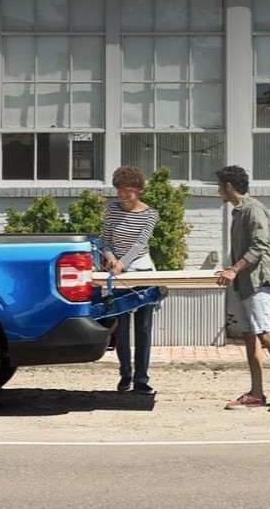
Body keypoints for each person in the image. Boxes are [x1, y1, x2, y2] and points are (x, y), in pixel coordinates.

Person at [215, 165, 270, 412]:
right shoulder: (239, 211)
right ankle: (256, 393)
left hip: (258, 281)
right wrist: (232, 270)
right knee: (250, 335)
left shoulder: (253, 209)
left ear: (228, 187)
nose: (218, 191)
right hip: (245, 282)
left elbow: (260, 246)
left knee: (265, 332)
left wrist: (234, 270)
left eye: (220, 186)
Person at [100, 166, 160, 395]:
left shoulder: (150, 214)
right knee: (121, 327)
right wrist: (111, 258)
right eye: (119, 191)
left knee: (143, 328)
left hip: (141, 270)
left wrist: (122, 263)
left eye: (128, 192)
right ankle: (125, 375)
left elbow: (139, 244)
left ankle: (141, 378)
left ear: (138, 191)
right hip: (117, 273)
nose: (123, 197)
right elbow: (104, 239)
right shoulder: (111, 210)